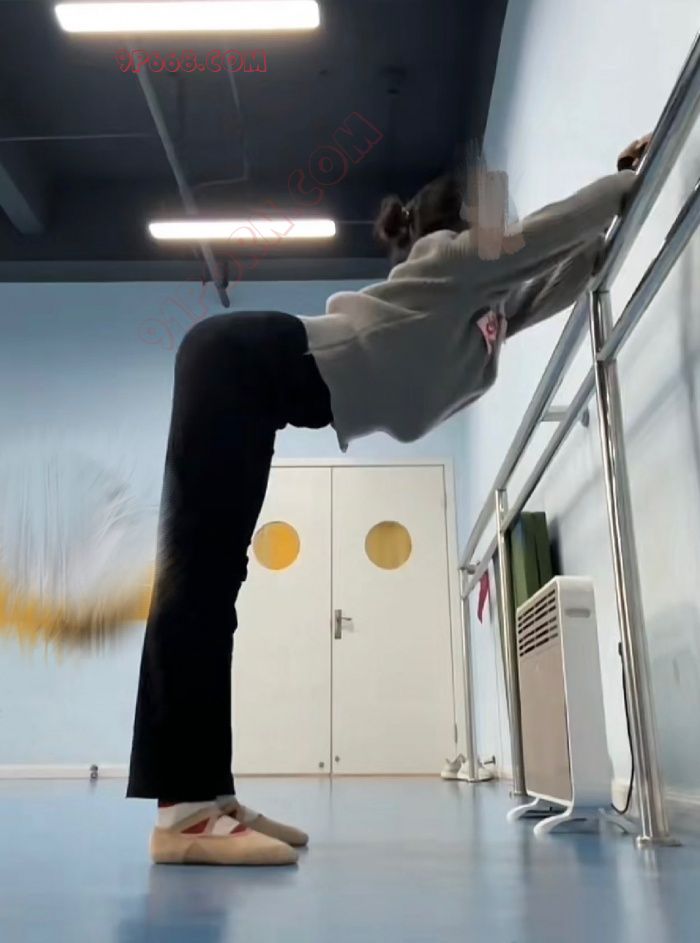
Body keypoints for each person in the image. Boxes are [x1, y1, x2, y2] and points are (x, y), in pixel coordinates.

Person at [128, 135, 651, 866]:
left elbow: (560, 273)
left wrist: (616, 225)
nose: (504, 231)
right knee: (197, 582)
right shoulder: (451, 265)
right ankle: (182, 815)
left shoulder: (478, 313)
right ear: (466, 229)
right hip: (234, 361)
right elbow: (549, 233)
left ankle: (209, 795)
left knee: (218, 586)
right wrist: (626, 181)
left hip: (255, 386)